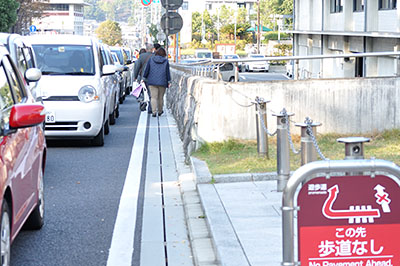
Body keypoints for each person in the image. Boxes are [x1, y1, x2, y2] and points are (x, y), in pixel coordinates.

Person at [142, 47, 171, 117]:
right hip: (162, 81)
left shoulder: (151, 60)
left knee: (153, 97)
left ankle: (154, 111)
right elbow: (167, 72)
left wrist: (144, 77)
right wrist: (169, 81)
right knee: (160, 97)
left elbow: (147, 69)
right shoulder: (166, 61)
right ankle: (160, 111)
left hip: (152, 81)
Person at [133, 43, 161, 113]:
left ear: (146, 49)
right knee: (153, 93)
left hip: (145, 78)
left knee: (149, 92)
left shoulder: (141, 56)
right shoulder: (156, 56)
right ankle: (151, 108)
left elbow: (137, 67)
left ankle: (150, 107)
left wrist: (135, 76)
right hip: (154, 77)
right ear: (152, 49)